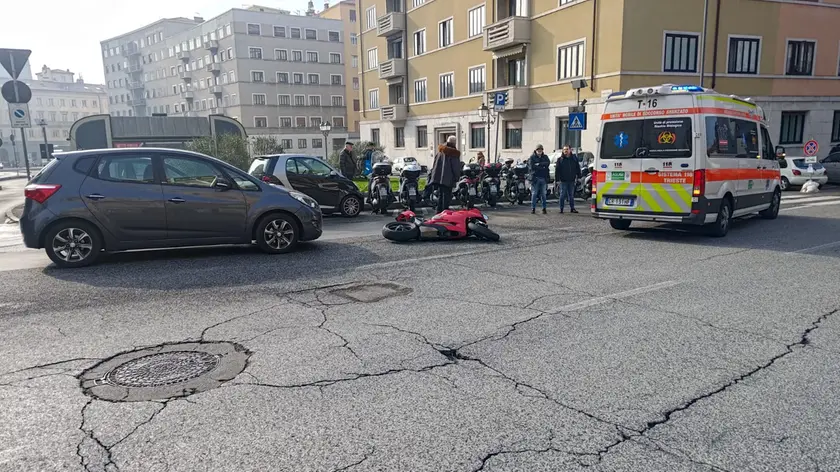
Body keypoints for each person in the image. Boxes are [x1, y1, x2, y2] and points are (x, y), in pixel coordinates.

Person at [429, 136, 462, 213]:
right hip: (448, 178)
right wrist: (457, 177)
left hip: (438, 177)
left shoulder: (440, 151)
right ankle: (444, 212)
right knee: (446, 196)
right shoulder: (454, 153)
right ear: (454, 143)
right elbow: (455, 167)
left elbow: (435, 164)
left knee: (440, 194)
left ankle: (439, 211)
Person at [555, 145, 581, 213]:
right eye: (564, 150)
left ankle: (572, 208)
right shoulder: (560, 159)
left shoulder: (574, 158)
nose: (565, 151)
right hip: (563, 180)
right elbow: (557, 170)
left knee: (571, 195)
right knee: (562, 195)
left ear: (570, 150)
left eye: (567, 149)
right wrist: (557, 180)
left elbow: (577, 168)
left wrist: (579, 176)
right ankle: (561, 209)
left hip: (572, 180)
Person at [528, 144, 550, 214]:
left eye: (541, 149)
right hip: (535, 178)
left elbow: (547, 163)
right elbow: (532, 167)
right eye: (538, 149)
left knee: (543, 194)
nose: (539, 151)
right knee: (534, 194)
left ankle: (544, 208)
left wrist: (539, 164)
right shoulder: (532, 157)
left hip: (543, 178)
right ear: (536, 150)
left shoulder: (545, 157)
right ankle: (533, 208)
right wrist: (542, 167)